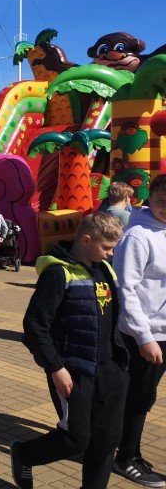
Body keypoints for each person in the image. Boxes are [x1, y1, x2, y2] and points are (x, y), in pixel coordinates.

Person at [11, 213, 127, 489]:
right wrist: (55, 368)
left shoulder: (105, 270)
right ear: (86, 240)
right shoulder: (57, 273)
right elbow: (35, 326)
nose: (111, 254)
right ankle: (24, 454)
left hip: (109, 370)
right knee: (76, 439)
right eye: (107, 248)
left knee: (107, 440)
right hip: (74, 370)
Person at [112, 174, 166, 487]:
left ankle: (125, 448)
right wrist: (144, 337)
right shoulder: (138, 234)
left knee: (145, 395)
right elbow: (125, 288)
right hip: (143, 333)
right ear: (150, 197)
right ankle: (126, 458)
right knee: (140, 396)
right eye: (161, 201)